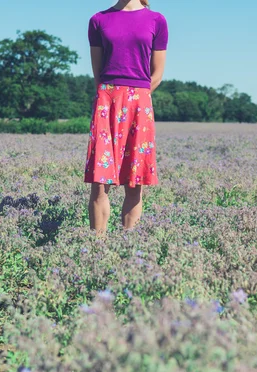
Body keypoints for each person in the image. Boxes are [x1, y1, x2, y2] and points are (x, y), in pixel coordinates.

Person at [84, 0, 168, 236]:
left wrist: (137, 98)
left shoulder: (157, 20)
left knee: (135, 182)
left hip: (140, 101)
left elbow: (157, 74)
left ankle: (128, 249)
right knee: (99, 183)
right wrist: (109, 98)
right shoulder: (98, 20)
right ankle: (96, 249)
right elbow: (97, 72)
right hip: (107, 98)